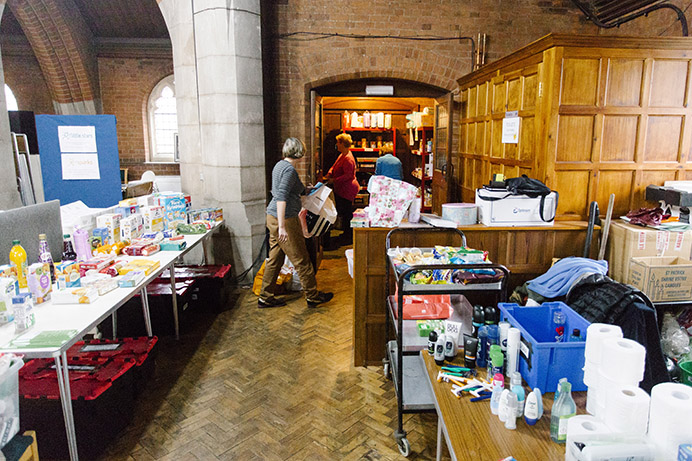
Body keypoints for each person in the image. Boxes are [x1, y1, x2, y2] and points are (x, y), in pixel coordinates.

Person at [259, 137, 333, 308]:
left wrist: (309, 189)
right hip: (283, 219)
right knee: (301, 259)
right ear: (300, 152)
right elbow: (281, 197)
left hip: (273, 217)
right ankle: (312, 296)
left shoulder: (280, 166)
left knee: (275, 259)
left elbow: (296, 190)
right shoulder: (289, 170)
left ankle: (265, 296)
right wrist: (283, 227)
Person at [323, 133, 359, 245]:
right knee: (344, 211)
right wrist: (329, 174)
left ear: (343, 143)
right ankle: (346, 233)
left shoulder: (348, 158)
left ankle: (348, 236)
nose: (336, 144)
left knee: (346, 212)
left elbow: (348, 175)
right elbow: (334, 166)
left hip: (347, 189)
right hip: (342, 188)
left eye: (338, 142)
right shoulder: (342, 155)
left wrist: (334, 180)